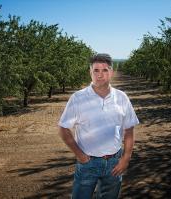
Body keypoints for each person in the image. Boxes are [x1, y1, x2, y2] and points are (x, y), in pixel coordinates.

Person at [58, 53, 139, 199]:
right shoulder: (78, 98)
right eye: (96, 70)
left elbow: (129, 129)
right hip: (88, 162)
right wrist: (80, 156)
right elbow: (63, 128)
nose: (100, 75)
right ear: (90, 72)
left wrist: (126, 158)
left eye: (104, 70)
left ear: (111, 72)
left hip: (114, 163)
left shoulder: (121, 97)